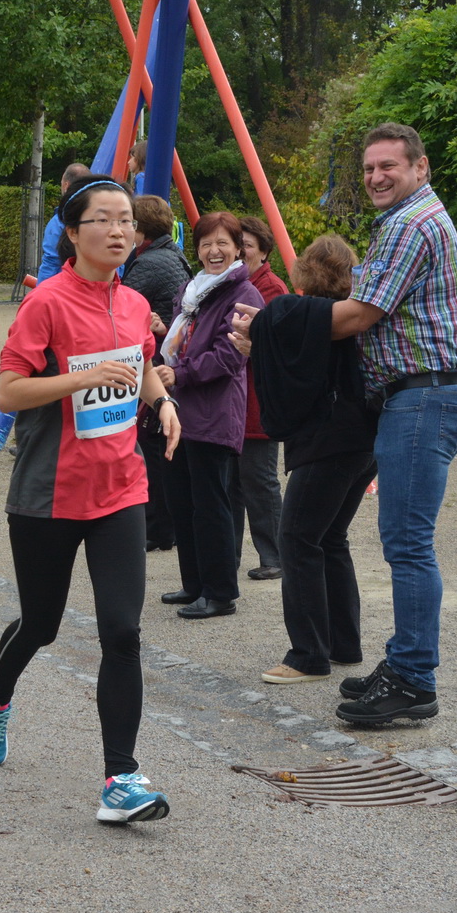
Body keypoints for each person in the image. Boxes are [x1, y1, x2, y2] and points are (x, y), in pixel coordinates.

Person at [236, 122, 457, 725]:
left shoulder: (408, 225)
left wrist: (272, 327)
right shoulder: (416, 220)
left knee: (408, 545)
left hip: (424, 400)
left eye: (389, 166)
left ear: (420, 168)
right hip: (422, 398)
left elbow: (360, 315)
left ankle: (414, 679)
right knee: (398, 542)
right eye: (369, 168)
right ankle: (401, 663)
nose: (376, 177)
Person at [0, 176, 181, 825]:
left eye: (126, 220)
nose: (118, 231)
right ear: (73, 230)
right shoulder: (48, 304)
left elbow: (140, 362)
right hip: (48, 492)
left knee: (122, 631)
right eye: (103, 219)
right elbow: (6, 391)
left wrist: (162, 401)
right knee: (41, 622)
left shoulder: (135, 300)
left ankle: (121, 776)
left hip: (121, 486)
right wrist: (81, 377)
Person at [245, 235, 377, 685]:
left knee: (298, 538)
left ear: (302, 271)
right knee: (331, 537)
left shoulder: (298, 314)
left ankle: (308, 655)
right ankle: (343, 643)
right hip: (363, 442)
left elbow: (280, 333)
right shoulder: (351, 320)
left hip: (329, 443)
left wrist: (259, 333)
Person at [158, 211, 260, 620]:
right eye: (205, 243)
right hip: (181, 411)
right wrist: (159, 334)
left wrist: (177, 372)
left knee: (212, 504)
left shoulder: (245, 295)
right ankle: (194, 583)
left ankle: (220, 592)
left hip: (214, 414)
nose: (213, 251)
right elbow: (183, 345)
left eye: (222, 243)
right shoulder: (192, 291)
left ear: (238, 248)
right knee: (182, 503)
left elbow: (228, 358)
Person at [120, 194, 190, 552]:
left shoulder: (148, 262)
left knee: (151, 446)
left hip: (156, 362)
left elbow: (117, 305)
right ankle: (165, 525)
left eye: (128, 223)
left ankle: (159, 527)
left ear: (140, 228)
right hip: (166, 354)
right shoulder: (173, 254)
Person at [233, 214, 288, 580]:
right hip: (233, 402)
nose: (239, 253)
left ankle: (277, 555)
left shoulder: (270, 288)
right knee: (234, 482)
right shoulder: (230, 284)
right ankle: (230, 556)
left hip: (256, 401)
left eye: (246, 247)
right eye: (236, 245)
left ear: (264, 251)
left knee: (259, 479)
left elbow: (279, 345)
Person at [35, 163, 94, 283]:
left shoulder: (60, 221)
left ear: (66, 186)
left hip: (65, 289)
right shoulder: (102, 217)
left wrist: (41, 291)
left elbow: (51, 261)